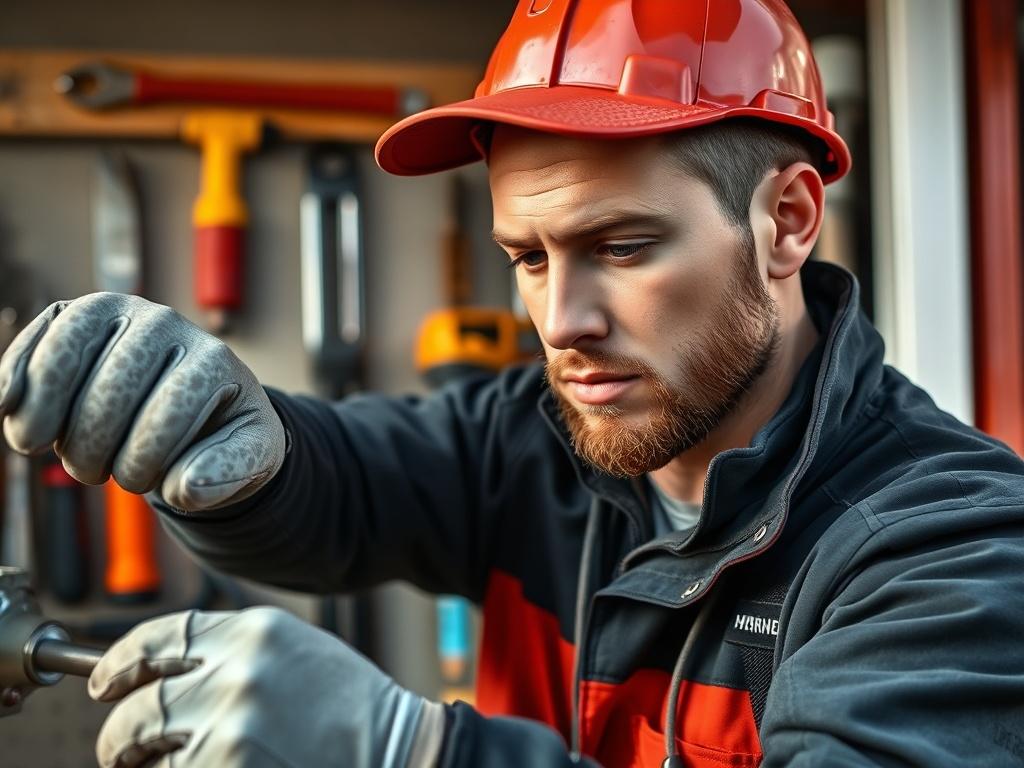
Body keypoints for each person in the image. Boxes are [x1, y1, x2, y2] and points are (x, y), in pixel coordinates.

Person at [3, 1, 1024, 766]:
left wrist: (417, 753)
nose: (560, 322)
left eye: (620, 247)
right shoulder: (534, 433)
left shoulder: (955, 548)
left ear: (787, 222)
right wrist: (228, 441)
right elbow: (337, 490)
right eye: (527, 258)